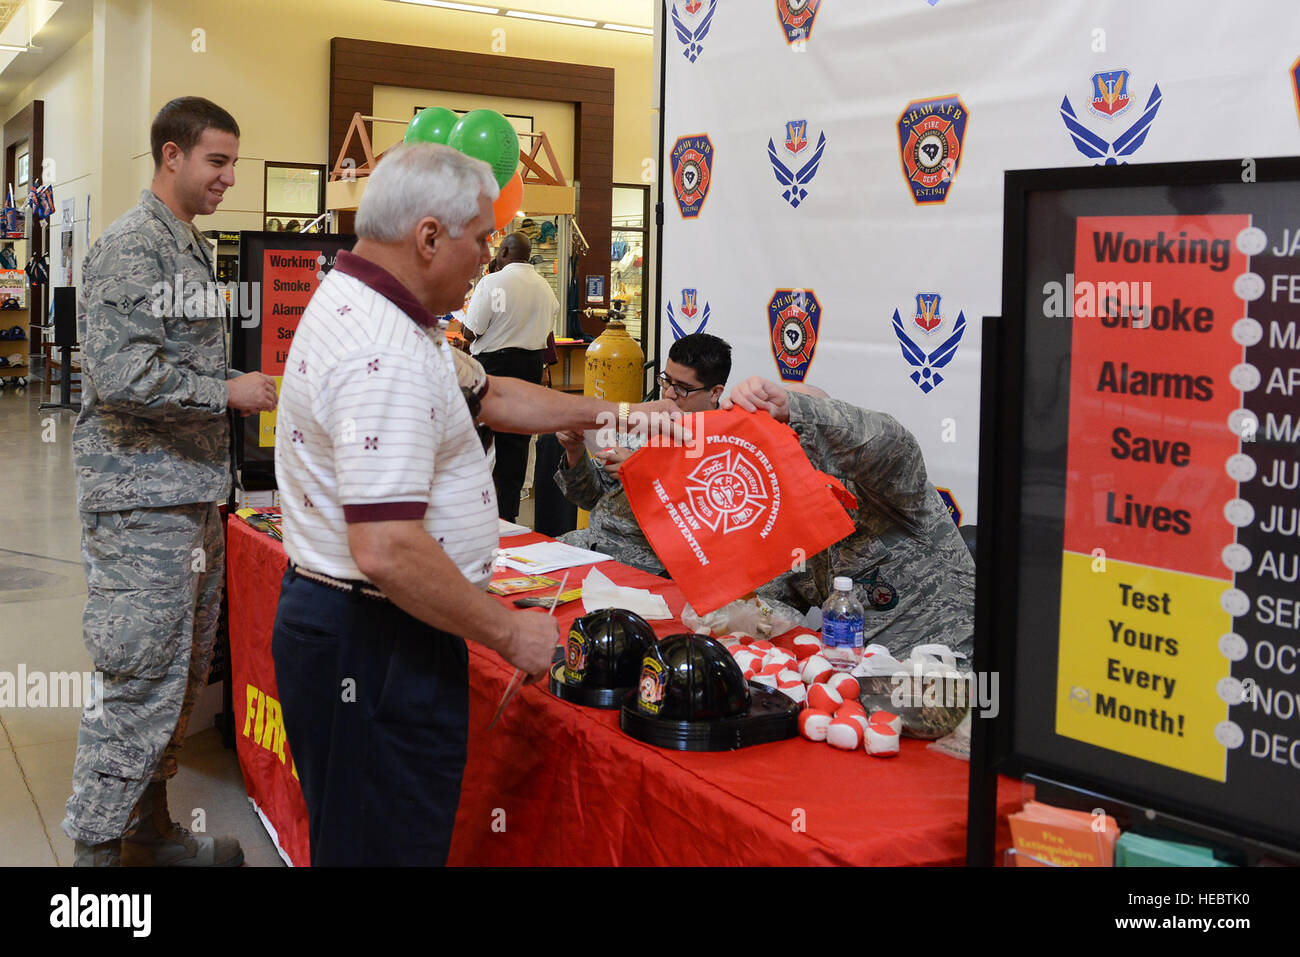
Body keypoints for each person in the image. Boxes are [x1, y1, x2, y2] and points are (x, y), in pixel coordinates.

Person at [270, 142, 679, 866]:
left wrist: (612, 415)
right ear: (428, 236)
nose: (489, 259)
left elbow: (489, 394)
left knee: (363, 837)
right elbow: (387, 548)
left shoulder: (386, 307)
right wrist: (511, 634)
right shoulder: (382, 349)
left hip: (366, 627)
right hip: (377, 639)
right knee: (384, 845)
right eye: (483, 239)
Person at [65, 96, 279, 867]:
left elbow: (178, 362)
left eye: (233, 161)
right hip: (140, 506)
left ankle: (147, 831)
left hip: (187, 496)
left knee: (176, 681)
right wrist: (226, 391)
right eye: (216, 160)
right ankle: (93, 863)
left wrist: (237, 378)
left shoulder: (186, 246)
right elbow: (121, 374)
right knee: (136, 683)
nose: (228, 176)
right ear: (171, 155)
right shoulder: (132, 248)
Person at [723, 376, 975, 661]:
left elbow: (893, 441)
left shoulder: (891, 490)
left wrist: (793, 410)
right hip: (856, 678)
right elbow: (768, 601)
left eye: (794, 435)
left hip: (942, 673)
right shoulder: (793, 515)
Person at [553, 332, 731, 575]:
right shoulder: (646, 423)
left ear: (715, 392)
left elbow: (706, 531)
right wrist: (575, 452)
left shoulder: (723, 449)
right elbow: (588, 498)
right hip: (588, 545)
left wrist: (644, 474)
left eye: (683, 389)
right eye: (667, 381)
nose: (668, 394)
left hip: (643, 563)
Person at [459, 230, 559, 522]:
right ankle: (508, 517)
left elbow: (471, 330)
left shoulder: (492, 282)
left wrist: (463, 320)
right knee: (516, 446)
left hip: (493, 367)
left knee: (477, 441)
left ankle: (472, 512)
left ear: (504, 253)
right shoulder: (545, 287)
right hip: (530, 367)